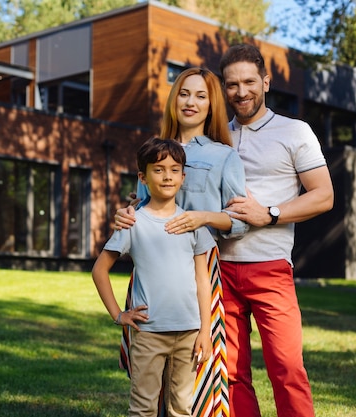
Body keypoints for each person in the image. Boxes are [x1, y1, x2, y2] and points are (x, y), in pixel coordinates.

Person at [115, 67, 248, 417]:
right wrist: (125, 212)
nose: (191, 102)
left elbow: (239, 220)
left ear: (211, 105)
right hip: (151, 275)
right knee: (147, 375)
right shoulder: (153, 151)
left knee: (198, 375)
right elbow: (141, 206)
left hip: (199, 272)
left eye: (201, 96)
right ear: (174, 100)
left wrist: (202, 217)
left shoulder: (224, 156)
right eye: (184, 93)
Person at [218, 43, 334, 417]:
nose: (241, 91)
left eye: (250, 81)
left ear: (265, 82)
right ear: (224, 87)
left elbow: (323, 196)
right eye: (232, 84)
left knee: (286, 368)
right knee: (232, 373)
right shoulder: (215, 136)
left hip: (270, 267)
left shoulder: (295, 131)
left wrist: (267, 213)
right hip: (219, 269)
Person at [92, 137, 214, 417]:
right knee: (143, 408)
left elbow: (202, 280)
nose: (167, 176)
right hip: (149, 333)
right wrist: (118, 315)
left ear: (183, 176)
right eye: (158, 170)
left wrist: (205, 330)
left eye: (174, 169)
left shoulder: (191, 223)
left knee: (182, 408)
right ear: (143, 178)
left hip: (189, 332)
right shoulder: (133, 222)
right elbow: (99, 270)